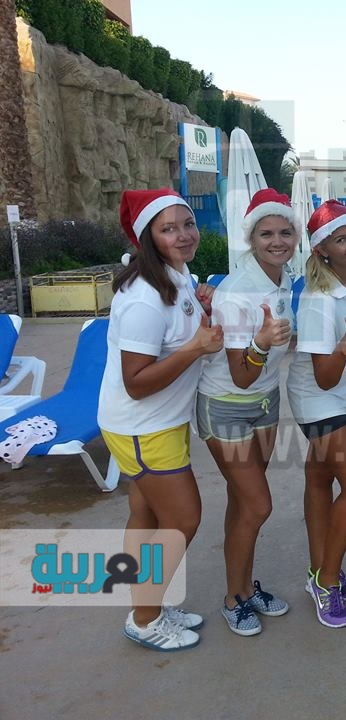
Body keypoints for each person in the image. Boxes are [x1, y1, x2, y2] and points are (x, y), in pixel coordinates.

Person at [99, 188, 224, 651]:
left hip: (158, 422)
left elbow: (177, 330)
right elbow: (136, 381)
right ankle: (146, 618)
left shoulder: (176, 276)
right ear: (148, 237)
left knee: (146, 513)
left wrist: (201, 307)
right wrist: (195, 348)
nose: (184, 235)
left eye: (187, 224)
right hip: (142, 426)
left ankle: (146, 605)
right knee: (183, 518)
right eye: (168, 229)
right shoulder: (143, 298)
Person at [197, 189, 296, 636]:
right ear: (251, 239)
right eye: (266, 234)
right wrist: (261, 341)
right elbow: (240, 375)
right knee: (258, 504)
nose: (277, 241)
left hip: (266, 403)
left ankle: (242, 589)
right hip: (226, 406)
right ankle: (231, 599)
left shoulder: (283, 279)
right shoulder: (237, 292)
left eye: (285, 232)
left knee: (242, 501)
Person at [287, 199, 346, 628]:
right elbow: (324, 377)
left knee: (320, 481)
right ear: (323, 251)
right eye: (341, 240)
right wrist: (342, 351)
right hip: (320, 398)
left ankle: (319, 570)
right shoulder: (319, 300)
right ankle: (327, 580)